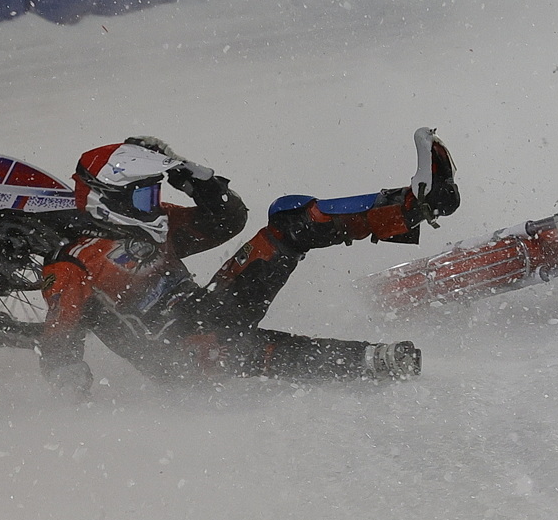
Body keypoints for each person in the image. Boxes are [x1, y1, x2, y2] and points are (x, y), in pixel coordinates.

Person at [37, 128, 459, 398]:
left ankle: (416, 204)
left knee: (290, 219)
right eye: (143, 196)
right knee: (237, 347)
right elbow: (59, 331)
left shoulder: (152, 225)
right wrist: (66, 373)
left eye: (154, 192)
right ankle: (373, 361)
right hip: (176, 356)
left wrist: (198, 181)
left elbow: (225, 222)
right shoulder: (74, 263)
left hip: (206, 310)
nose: (155, 206)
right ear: (104, 201)